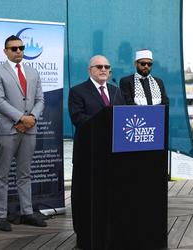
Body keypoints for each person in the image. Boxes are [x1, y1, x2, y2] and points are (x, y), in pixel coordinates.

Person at [68, 55, 124, 248]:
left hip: (113, 155)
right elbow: (78, 119)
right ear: (89, 70)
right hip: (88, 155)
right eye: (99, 66)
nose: (103, 70)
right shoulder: (77, 91)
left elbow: (122, 119)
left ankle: (108, 232)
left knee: (109, 195)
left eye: (107, 67)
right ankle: (84, 236)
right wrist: (103, 121)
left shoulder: (116, 91)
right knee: (85, 196)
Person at [0, 35, 45, 231]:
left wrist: (32, 119)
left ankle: (27, 212)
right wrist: (22, 119)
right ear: (5, 51)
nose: (19, 51)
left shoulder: (33, 72)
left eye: (21, 48)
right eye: (14, 48)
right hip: (7, 130)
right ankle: (2, 217)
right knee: (2, 175)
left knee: (25, 174)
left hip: (29, 130)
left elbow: (40, 100)